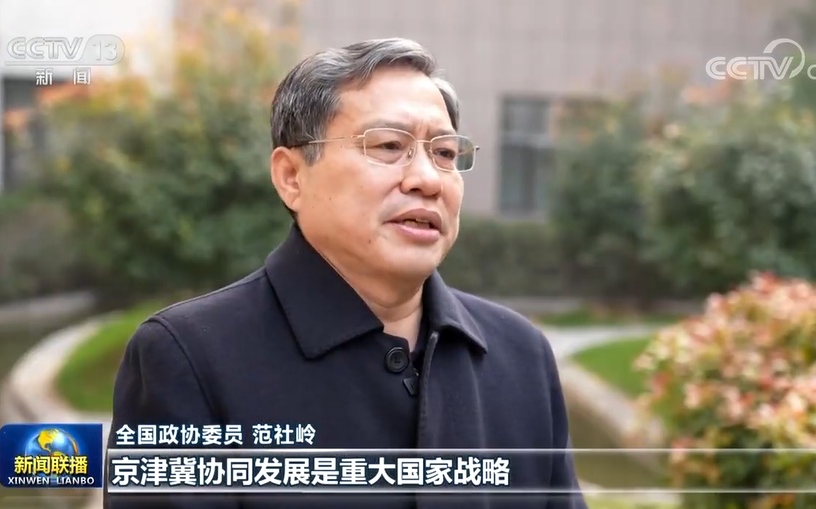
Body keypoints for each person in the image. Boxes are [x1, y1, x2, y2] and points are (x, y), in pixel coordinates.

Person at [105, 38, 588, 509]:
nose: (426, 179)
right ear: (292, 177)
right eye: (389, 145)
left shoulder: (520, 355)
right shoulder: (188, 357)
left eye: (444, 153)